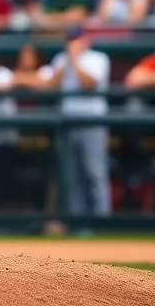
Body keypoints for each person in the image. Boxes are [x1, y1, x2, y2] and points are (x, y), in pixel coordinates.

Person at [44, 27, 111, 217]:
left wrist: (74, 58)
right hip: (68, 121)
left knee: (94, 172)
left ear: (86, 40)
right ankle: (76, 221)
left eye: (77, 38)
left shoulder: (98, 58)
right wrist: (68, 60)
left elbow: (87, 83)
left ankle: (102, 220)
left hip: (92, 121)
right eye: (70, 39)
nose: (73, 43)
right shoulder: (60, 59)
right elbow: (51, 86)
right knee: (70, 175)